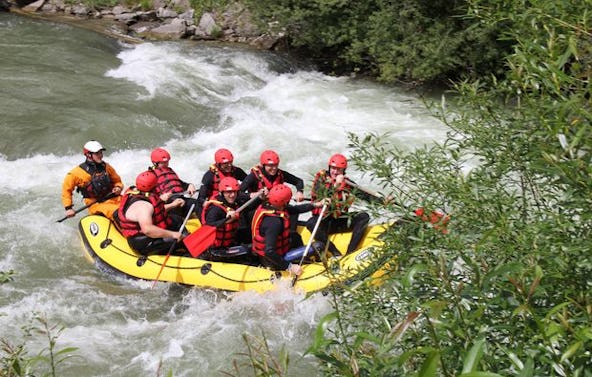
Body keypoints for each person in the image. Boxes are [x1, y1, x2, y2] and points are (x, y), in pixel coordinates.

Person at [306, 153, 379, 256]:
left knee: (363, 216)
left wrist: (383, 202)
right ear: (329, 167)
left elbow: (365, 196)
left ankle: (350, 252)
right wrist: (335, 186)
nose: (335, 172)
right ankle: (335, 252)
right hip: (322, 221)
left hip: (338, 220)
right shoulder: (321, 178)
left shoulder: (347, 183)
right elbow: (320, 194)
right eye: (333, 168)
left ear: (343, 171)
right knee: (310, 223)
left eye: (338, 169)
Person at [251, 184, 324, 275]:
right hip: (272, 261)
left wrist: (316, 205)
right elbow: (269, 252)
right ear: (285, 202)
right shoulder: (274, 223)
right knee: (318, 246)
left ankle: (303, 260)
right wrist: (289, 267)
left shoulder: (269, 206)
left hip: (273, 253)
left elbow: (295, 209)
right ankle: (314, 267)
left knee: (295, 236)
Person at [116, 170, 187, 256]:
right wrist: (173, 234)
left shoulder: (136, 192)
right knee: (179, 241)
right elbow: (148, 230)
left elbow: (155, 212)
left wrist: (173, 204)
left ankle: (186, 239)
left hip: (147, 231)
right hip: (144, 242)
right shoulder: (144, 206)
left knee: (177, 220)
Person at [61, 140, 123, 221]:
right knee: (118, 213)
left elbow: (117, 181)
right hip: (97, 205)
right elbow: (66, 190)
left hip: (114, 198)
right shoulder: (76, 173)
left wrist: (118, 187)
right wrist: (68, 208)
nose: (101, 155)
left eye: (101, 152)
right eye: (97, 153)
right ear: (88, 155)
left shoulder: (106, 167)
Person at [201, 177, 257, 249]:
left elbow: (250, 205)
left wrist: (260, 197)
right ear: (222, 193)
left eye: (234, 191)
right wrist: (226, 220)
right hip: (216, 248)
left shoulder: (234, 201)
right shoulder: (215, 209)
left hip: (230, 241)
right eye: (229, 192)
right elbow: (207, 227)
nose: (232, 195)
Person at [197, 148, 247, 217]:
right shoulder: (209, 175)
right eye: (225, 164)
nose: (229, 165)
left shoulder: (236, 171)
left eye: (230, 162)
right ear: (218, 164)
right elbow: (200, 198)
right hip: (218, 203)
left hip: (232, 199)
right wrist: (206, 204)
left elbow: (248, 182)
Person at [239, 150, 305, 202]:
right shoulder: (253, 176)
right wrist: (253, 195)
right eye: (270, 166)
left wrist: (299, 192)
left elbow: (299, 181)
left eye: (276, 165)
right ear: (263, 165)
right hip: (257, 205)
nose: (274, 168)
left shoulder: (280, 174)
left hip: (277, 205)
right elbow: (238, 193)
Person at [149, 147, 199, 216]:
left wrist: (190, 185)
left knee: (199, 204)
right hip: (168, 203)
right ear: (155, 163)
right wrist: (160, 198)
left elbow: (179, 184)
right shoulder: (150, 176)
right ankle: (178, 223)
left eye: (167, 162)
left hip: (180, 198)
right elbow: (147, 195)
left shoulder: (170, 171)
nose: (166, 164)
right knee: (176, 211)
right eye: (163, 163)